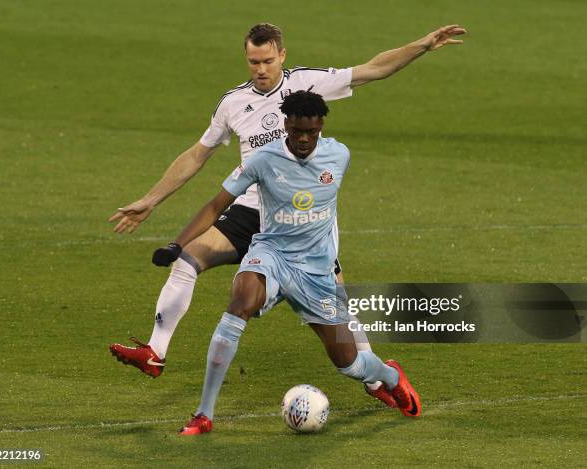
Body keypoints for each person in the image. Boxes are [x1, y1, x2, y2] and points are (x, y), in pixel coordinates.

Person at [109, 23, 466, 382]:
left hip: (300, 215)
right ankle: (155, 352)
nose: (261, 69)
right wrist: (150, 199)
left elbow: (373, 69)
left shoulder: (306, 84)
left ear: (282, 54)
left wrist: (422, 45)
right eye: (253, 62)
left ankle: (377, 377)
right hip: (249, 209)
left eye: (267, 60)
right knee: (187, 261)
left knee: (335, 302)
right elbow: (197, 155)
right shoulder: (233, 103)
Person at [153, 91, 421, 435]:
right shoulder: (262, 160)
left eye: (310, 132)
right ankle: (204, 414)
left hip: (316, 272)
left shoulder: (339, 155)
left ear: (320, 125)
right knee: (240, 303)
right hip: (272, 255)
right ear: (286, 126)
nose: (304, 140)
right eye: (297, 132)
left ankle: (391, 376)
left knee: (352, 365)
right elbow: (215, 205)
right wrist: (178, 244)